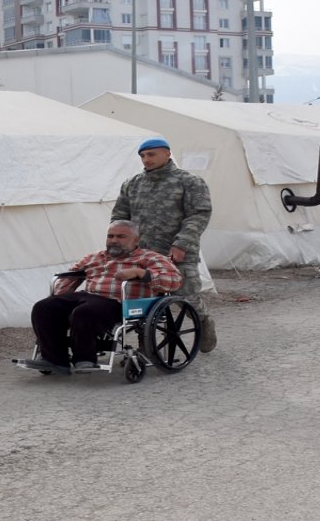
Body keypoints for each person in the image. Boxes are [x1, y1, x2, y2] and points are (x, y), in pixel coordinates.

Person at [28, 220, 182, 374]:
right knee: (44, 307)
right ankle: (54, 360)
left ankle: (84, 359)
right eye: (111, 236)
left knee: (84, 312)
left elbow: (174, 280)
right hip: (89, 296)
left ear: (136, 240)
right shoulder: (94, 257)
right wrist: (59, 299)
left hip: (121, 302)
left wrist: (141, 273)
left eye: (121, 236)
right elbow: (70, 276)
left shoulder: (150, 258)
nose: (114, 240)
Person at [110, 137, 217, 352]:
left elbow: (199, 215)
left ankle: (203, 321)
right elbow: (120, 217)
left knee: (186, 296)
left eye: (151, 154)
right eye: (142, 156)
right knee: (142, 302)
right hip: (142, 255)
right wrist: (119, 244)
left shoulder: (189, 182)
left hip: (177, 252)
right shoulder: (132, 184)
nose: (146, 159)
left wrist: (182, 243)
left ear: (167, 154)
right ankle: (146, 345)